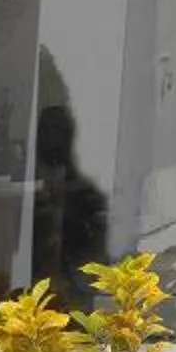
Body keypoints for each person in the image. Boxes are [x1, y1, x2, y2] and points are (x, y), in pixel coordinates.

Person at [28, 105, 110, 310]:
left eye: (61, 131)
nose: (56, 138)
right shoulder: (31, 183)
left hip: (73, 273)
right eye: (51, 131)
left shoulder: (83, 193)